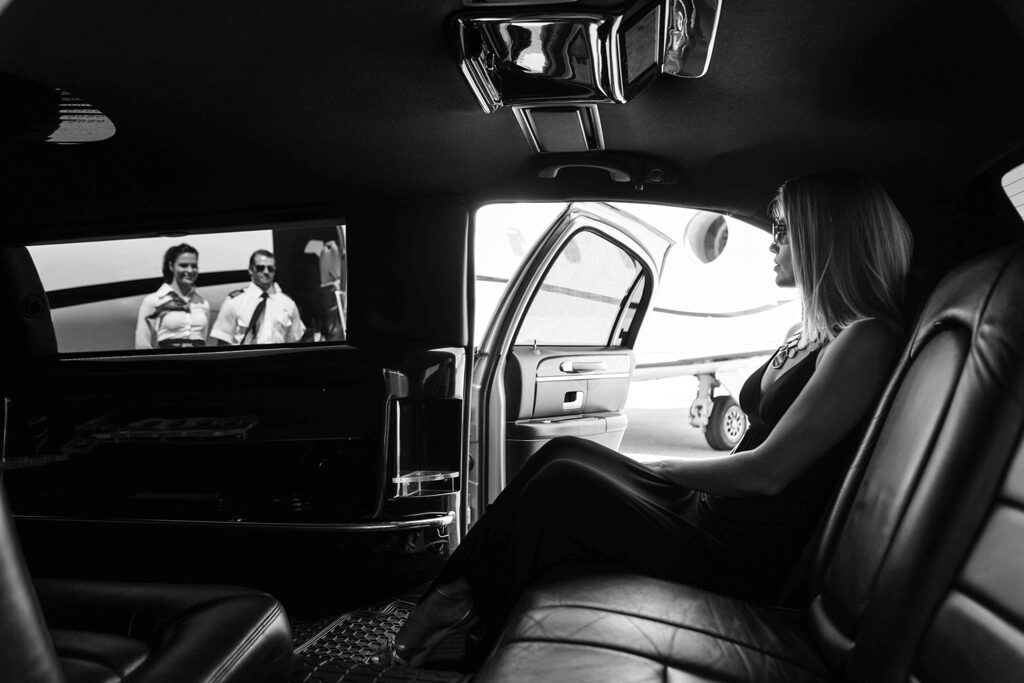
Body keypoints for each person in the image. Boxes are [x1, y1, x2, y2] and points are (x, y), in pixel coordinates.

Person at [387, 170, 915, 669]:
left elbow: (767, 472)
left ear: (827, 238)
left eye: (783, 228)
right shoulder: (812, 331)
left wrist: (661, 467)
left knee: (563, 484)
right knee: (562, 451)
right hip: (713, 514)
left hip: (734, 552)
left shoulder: (865, 339)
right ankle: (459, 601)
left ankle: (458, 611)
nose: (771, 241)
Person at [209, 249, 306, 345]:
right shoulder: (234, 302)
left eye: (270, 268)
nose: (266, 272)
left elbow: (295, 341)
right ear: (251, 270)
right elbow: (223, 342)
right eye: (260, 268)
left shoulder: (288, 304)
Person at [134, 243, 211, 349]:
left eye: (194, 266)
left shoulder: (203, 304)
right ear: (171, 266)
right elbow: (142, 345)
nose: (189, 270)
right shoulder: (153, 301)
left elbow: (203, 338)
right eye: (183, 265)